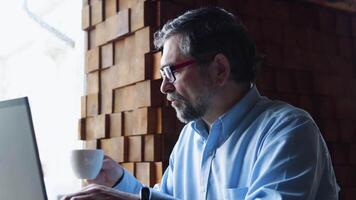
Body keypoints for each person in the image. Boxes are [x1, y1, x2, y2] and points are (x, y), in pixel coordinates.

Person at [63, 7, 340, 200]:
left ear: (219, 69)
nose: (164, 86)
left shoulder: (288, 131)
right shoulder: (190, 138)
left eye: (172, 72)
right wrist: (119, 183)